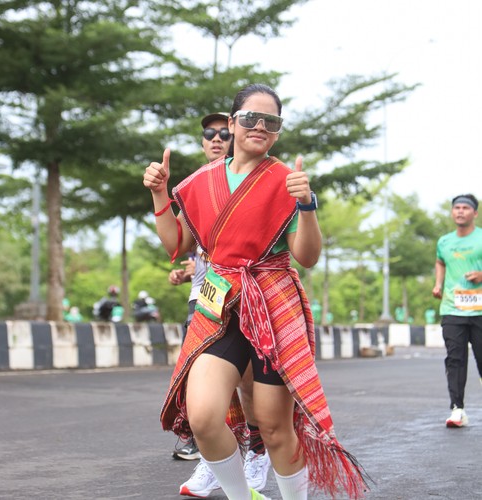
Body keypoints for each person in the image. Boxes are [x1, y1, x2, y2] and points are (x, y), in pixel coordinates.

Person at [144, 84, 367, 500]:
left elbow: (307, 256)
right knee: (203, 417)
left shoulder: (287, 181)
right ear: (232, 124)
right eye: (250, 118)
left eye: (271, 121)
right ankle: (242, 496)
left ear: (278, 131)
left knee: (274, 426)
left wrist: (307, 205)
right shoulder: (200, 182)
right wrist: (159, 193)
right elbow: (177, 244)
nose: (260, 126)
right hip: (219, 304)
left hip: (272, 304)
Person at [168, 112, 271, 497]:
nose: (215, 139)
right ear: (201, 142)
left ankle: (257, 448)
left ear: (234, 138)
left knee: (245, 381)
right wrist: (187, 272)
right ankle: (215, 456)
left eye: (222, 134)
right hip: (205, 298)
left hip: (245, 295)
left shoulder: (252, 180)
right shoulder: (195, 186)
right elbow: (180, 243)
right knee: (205, 382)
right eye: (208, 134)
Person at [432, 193, 482, 428]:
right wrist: (438, 284)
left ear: (475, 213)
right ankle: (457, 409)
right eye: (457, 207)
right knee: (455, 359)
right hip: (453, 309)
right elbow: (440, 261)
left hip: (480, 310)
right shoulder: (444, 241)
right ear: (452, 213)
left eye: (465, 207)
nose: (460, 211)